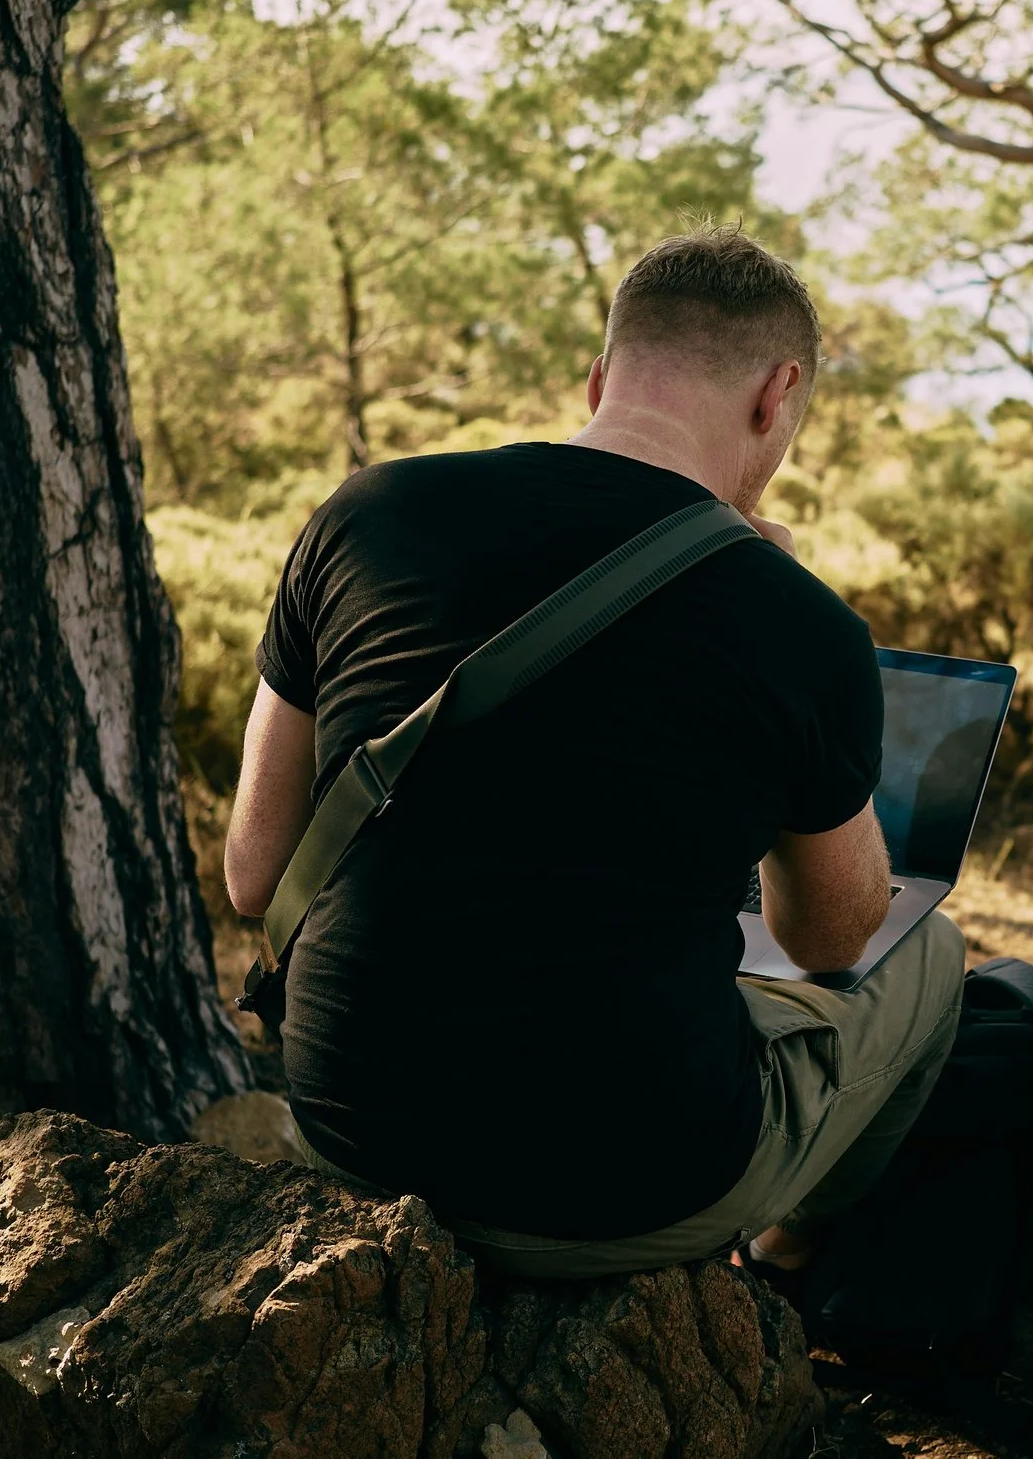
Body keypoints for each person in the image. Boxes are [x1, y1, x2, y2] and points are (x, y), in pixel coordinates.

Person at [222, 227, 963, 1279]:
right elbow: (832, 938)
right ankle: (792, 1264)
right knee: (929, 948)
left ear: (598, 377)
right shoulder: (798, 620)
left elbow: (255, 876)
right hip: (627, 1192)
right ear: (777, 394)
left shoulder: (364, 512)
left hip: (357, 1137)